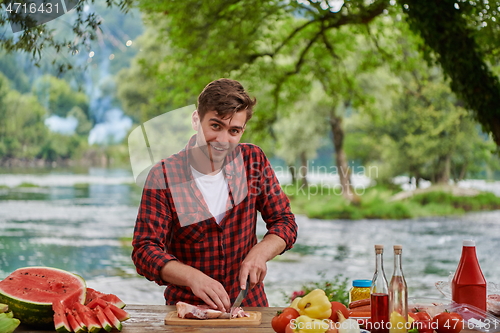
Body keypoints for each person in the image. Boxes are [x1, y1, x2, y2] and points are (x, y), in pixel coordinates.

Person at [131, 78, 297, 311]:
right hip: (189, 313)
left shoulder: (253, 161)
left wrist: (260, 253)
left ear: (242, 130)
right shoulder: (163, 176)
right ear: (196, 120)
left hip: (250, 308)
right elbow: (145, 250)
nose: (223, 140)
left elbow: (284, 222)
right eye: (216, 126)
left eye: (234, 131)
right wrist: (192, 277)